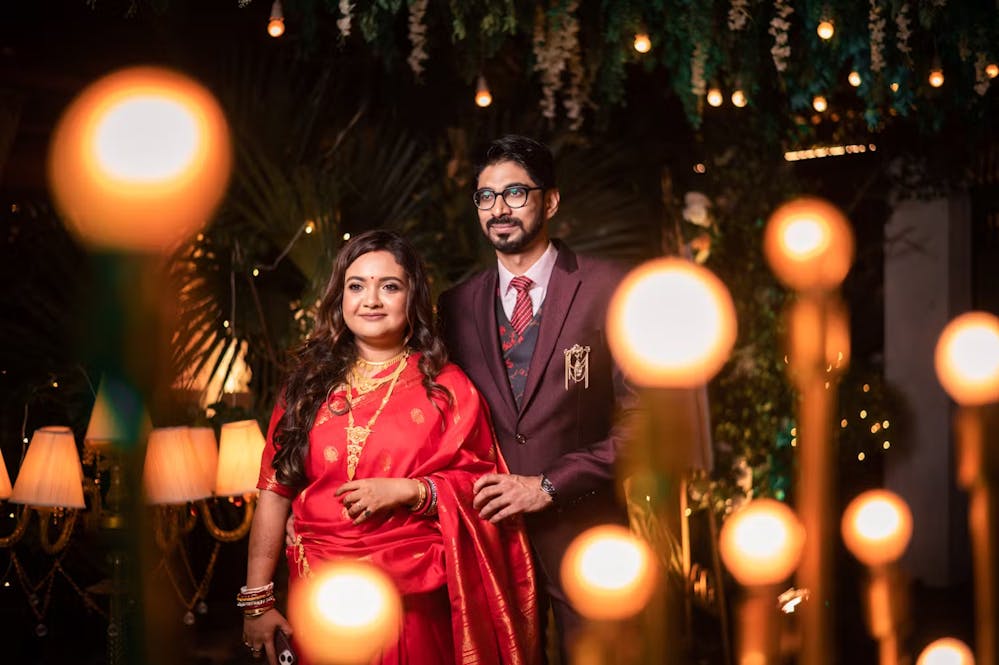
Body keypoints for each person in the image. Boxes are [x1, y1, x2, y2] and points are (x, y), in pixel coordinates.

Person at [240, 230, 540, 665]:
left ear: (412, 297)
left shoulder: (447, 387)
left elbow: (484, 488)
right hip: (319, 592)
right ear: (340, 297)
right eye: (356, 286)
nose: (371, 300)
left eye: (390, 286)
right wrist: (257, 602)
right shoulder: (304, 388)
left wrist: (410, 491)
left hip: (415, 599)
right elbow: (274, 491)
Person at [436, 135, 639, 660]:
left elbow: (646, 423)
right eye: (486, 196)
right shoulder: (454, 305)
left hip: (586, 532)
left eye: (515, 193)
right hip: (490, 535)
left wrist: (549, 485)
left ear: (549, 201)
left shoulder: (610, 287)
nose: (499, 209)